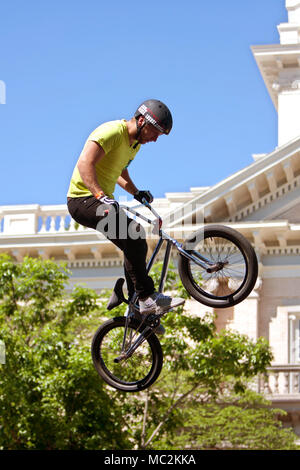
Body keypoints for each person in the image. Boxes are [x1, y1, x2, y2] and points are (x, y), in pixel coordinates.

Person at [67, 99, 184, 332]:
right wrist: (100, 194)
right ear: (142, 121)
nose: (155, 138)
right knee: (134, 235)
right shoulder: (112, 131)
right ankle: (145, 298)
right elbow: (85, 163)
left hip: (98, 200)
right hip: (83, 200)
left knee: (134, 243)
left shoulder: (134, 144)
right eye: (155, 132)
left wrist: (135, 191)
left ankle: (136, 307)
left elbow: (118, 169)